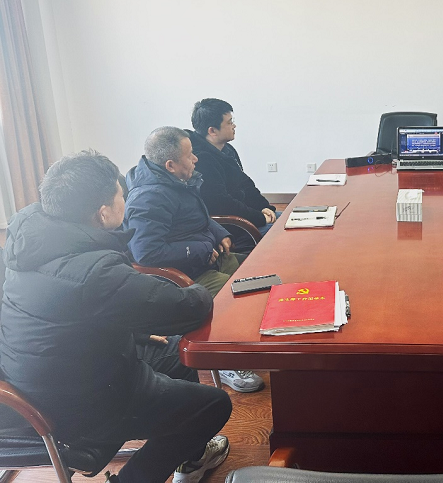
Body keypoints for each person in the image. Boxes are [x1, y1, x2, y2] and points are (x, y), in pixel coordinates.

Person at [0, 151, 232, 482]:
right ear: (103, 212)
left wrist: (137, 329)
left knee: (178, 353)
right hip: (79, 403)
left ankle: (191, 457)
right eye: (121, 194)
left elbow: (70, 311)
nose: (126, 199)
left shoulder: (30, 238)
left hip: (40, 377)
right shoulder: (94, 271)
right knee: (215, 404)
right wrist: (201, 288)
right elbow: (187, 308)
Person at [125, 127, 264, 393]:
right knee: (239, 296)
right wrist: (202, 247)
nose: (196, 159)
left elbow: (199, 217)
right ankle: (224, 362)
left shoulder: (177, 180)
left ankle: (251, 342)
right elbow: (146, 253)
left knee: (262, 274)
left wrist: (220, 233)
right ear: (170, 164)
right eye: (190, 155)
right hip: (185, 276)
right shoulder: (148, 198)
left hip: (206, 259)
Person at [190, 98, 278, 250]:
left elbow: (245, 183)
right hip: (234, 228)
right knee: (285, 232)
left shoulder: (226, 149)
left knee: (291, 220)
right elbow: (222, 204)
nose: (234, 126)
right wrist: (259, 217)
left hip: (247, 216)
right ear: (212, 131)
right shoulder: (201, 160)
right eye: (229, 122)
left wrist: (263, 207)